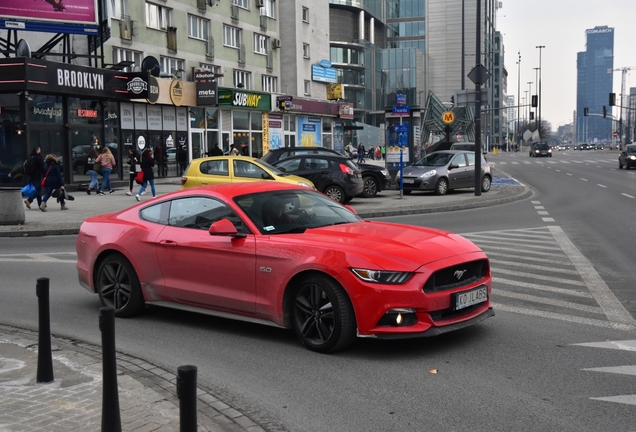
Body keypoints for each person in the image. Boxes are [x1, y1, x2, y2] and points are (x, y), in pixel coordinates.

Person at [24, 146, 45, 210]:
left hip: (31, 176)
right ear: (37, 150)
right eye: (39, 149)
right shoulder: (38, 158)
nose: (40, 151)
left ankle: (40, 204)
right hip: (37, 176)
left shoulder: (30, 158)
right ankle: (29, 200)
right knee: (39, 190)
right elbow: (42, 167)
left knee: (37, 190)